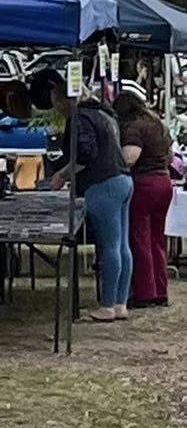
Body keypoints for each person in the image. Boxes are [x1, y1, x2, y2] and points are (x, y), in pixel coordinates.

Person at [46, 77, 133, 323]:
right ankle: (120, 302)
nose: (56, 108)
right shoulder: (104, 113)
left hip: (102, 184)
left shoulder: (80, 118)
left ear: (65, 99)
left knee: (109, 246)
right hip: (123, 180)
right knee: (122, 245)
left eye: (56, 102)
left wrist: (62, 175)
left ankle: (107, 306)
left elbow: (85, 154)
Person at [116, 81, 175, 309]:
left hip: (144, 184)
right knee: (157, 238)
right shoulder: (157, 124)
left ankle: (144, 292)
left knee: (139, 238)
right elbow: (170, 156)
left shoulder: (133, 128)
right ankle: (160, 290)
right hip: (164, 182)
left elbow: (130, 158)